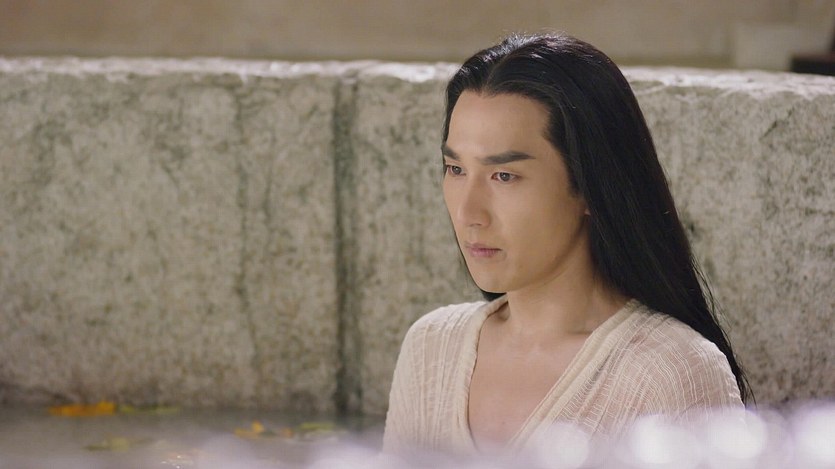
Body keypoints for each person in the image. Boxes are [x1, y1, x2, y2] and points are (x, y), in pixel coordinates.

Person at [382, 33, 751, 457]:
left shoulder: (668, 374)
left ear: (590, 186)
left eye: (504, 176)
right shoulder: (431, 349)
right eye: (455, 169)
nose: (469, 213)